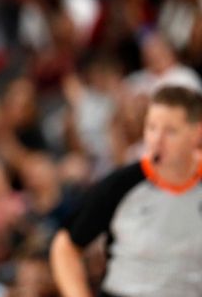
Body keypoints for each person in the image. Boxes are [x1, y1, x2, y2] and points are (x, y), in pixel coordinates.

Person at [50, 85, 202, 297]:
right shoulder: (123, 185)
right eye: (152, 128)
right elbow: (65, 245)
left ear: (196, 134)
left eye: (170, 131)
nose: (157, 140)